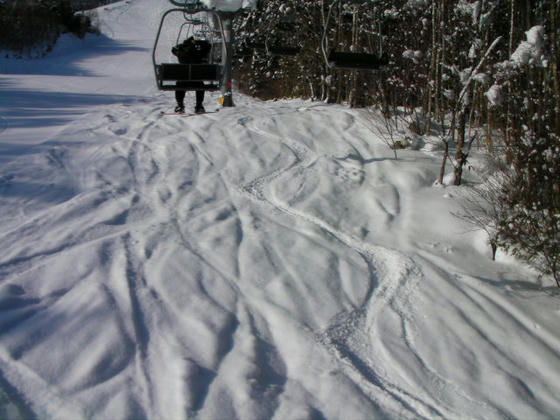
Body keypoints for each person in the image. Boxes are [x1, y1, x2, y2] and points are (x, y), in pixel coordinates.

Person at [171, 36, 212, 113]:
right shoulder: (199, 52)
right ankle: (199, 106)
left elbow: (173, 50)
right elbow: (208, 46)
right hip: (197, 82)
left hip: (183, 82)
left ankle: (180, 105)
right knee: (200, 84)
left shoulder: (181, 52)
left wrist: (181, 45)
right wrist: (198, 43)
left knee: (179, 84)